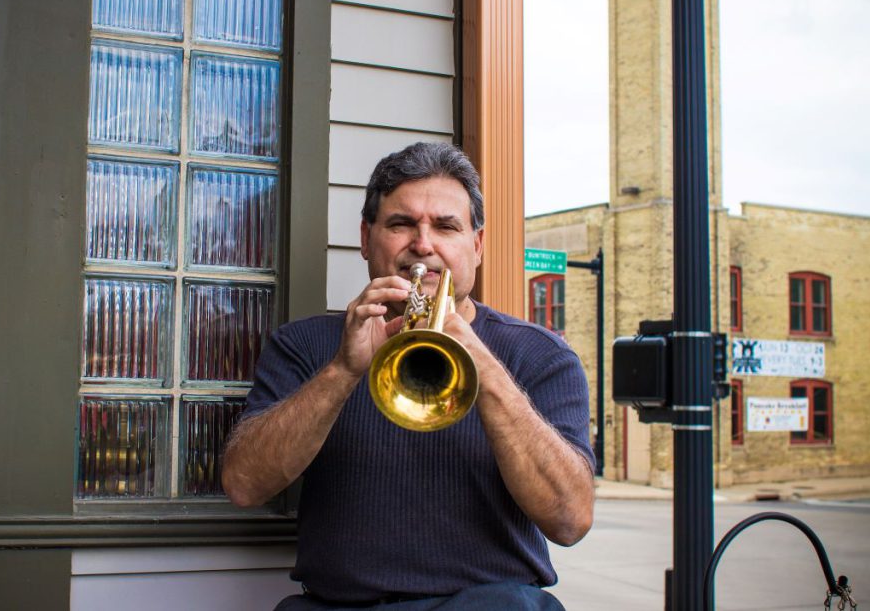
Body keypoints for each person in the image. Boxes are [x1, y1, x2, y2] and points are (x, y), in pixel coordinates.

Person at [222, 142, 595, 610]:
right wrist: (343, 370)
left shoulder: (540, 355)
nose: (423, 244)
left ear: (476, 246)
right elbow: (244, 485)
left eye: (446, 226)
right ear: (365, 238)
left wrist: (482, 364)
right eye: (401, 224)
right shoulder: (305, 345)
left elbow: (569, 521)